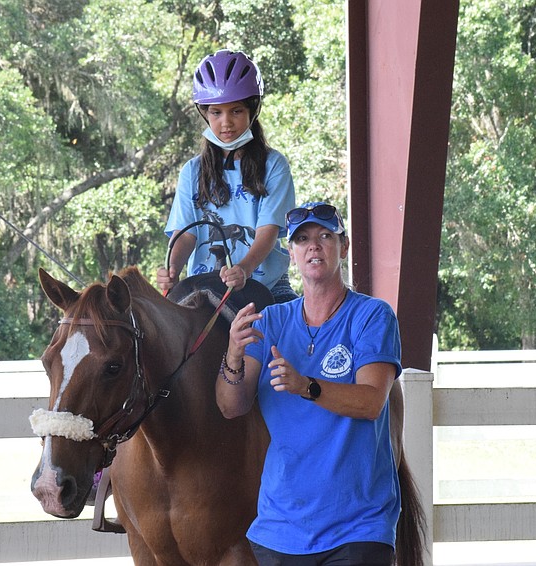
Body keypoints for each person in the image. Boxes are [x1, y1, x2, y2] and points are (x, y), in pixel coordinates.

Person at [216, 202, 403, 565]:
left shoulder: (371, 315)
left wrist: (307, 386)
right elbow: (230, 406)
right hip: (280, 529)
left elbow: (370, 403)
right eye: (302, 239)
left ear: (343, 247)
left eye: (324, 236)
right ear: (291, 253)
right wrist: (233, 355)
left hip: (358, 530)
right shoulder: (270, 320)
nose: (313, 246)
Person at [157, 49, 298, 303]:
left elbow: (267, 231)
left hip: (266, 284)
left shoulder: (274, 165)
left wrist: (244, 269)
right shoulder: (192, 171)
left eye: (236, 111)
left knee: (296, 333)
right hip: (202, 287)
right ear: (204, 113)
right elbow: (186, 233)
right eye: (216, 112)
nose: (226, 123)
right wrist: (172, 269)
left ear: (252, 111)